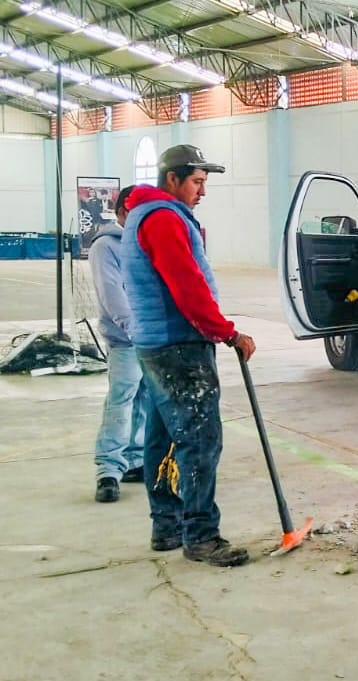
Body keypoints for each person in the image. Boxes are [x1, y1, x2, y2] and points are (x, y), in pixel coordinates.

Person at [120, 144, 256, 567]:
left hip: (155, 344)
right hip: (178, 346)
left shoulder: (146, 214)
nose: (202, 191)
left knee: (162, 437)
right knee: (199, 438)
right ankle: (200, 535)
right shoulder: (162, 218)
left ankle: (167, 526)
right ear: (172, 179)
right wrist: (227, 332)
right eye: (197, 182)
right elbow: (187, 286)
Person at [90, 184, 145, 504]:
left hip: (151, 337)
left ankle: (135, 460)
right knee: (121, 401)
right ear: (123, 211)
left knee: (144, 400)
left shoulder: (143, 244)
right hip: (126, 340)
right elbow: (112, 294)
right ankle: (108, 470)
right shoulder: (106, 247)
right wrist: (136, 329)